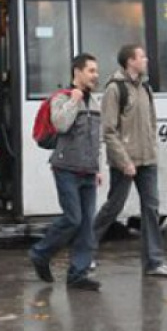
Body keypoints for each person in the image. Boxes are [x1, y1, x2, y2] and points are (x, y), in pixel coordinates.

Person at [93, 44, 167, 277]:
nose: (146, 59)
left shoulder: (145, 88)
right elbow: (109, 131)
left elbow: (151, 121)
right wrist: (125, 161)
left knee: (151, 209)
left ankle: (154, 262)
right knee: (114, 207)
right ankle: (86, 251)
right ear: (130, 61)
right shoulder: (115, 89)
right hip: (125, 162)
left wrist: (152, 149)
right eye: (142, 56)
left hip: (147, 159)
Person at [28, 54, 103, 291]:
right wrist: (74, 101)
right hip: (66, 168)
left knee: (86, 225)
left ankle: (78, 274)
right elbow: (60, 124)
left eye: (96, 71)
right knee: (73, 218)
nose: (95, 75)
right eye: (90, 71)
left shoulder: (95, 102)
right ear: (77, 72)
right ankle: (41, 253)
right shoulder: (62, 98)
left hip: (88, 170)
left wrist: (97, 167)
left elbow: (95, 139)